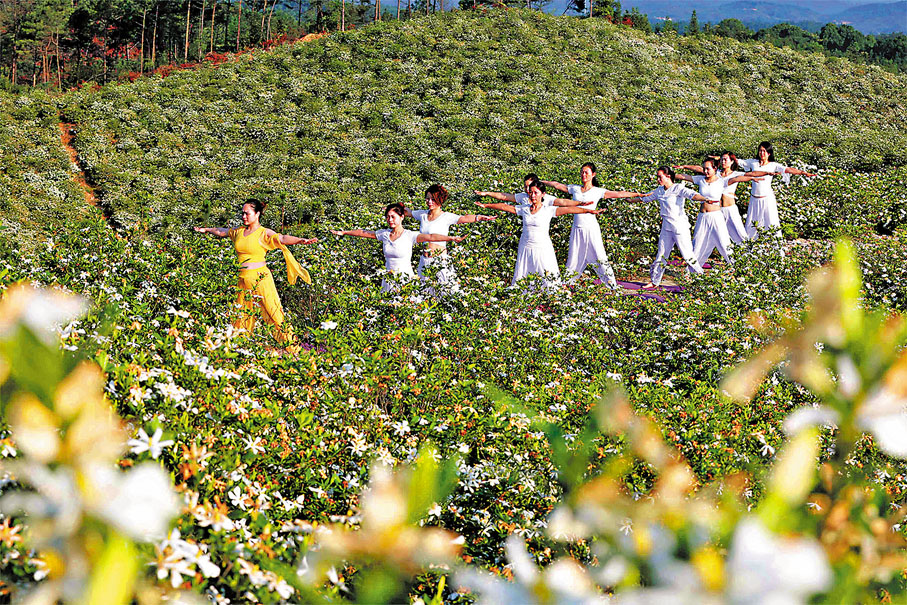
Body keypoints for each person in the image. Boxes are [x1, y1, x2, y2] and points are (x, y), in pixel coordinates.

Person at [194, 199, 317, 344]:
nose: (243, 216)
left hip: (261, 278)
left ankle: (292, 346)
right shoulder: (239, 231)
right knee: (241, 314)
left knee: (273, 312)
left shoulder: (263, 232)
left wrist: (301, 240)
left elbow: (282, 238)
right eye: (242, 213)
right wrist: (207, 230)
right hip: (243, 279)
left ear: (257, 214)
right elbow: (222, 231)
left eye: (247, 213)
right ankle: (241, 346)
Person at [475, 180, 604, 290]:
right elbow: (504, 207)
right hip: (525, 246)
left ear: (543, 194)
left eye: (536, 193)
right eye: (531, 192)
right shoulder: (524, 209)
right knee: (523, 273)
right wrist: (486, 205)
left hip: (542, 247)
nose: (532, 195)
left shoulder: (548, 210)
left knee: (547, 274)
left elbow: (569, 209)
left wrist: (589, 211)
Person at [541, 162, 641, 288]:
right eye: (582, 172)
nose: (583, 175)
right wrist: (541, 181)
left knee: (600, 256)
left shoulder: (598, 191)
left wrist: (638, 195)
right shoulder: (575, 189)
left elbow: (619, 193)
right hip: (577, 228)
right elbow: (557, 185)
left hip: (591, 228)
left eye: (586, 172)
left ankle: (612, 285)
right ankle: (567, 284)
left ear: (593, 174)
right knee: (573, 256)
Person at [331, 203, 466, 292]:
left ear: (402, 217)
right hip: (388, 279)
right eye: (388, 217)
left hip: (405, 279)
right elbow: (363, 233)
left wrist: (451, 238)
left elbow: (430, 237)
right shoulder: (384, 234)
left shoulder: (410, 235)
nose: (390, 220)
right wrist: (344, 232)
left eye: (393, 217)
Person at [625, 166, 710, 290]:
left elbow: (692, 195)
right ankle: (655, 281)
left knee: (687, 255)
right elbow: (645, 198)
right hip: (666, 226)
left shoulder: (677, 188)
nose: (658, 179)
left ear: (668, 176)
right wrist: (631, 200)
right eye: (657, 177)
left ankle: (702, 279)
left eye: (660, 177)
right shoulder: (659, 190)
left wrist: (705, 199)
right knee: (661, 255)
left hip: (679, 226)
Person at [403, 184, 496, 293]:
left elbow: (463, 218)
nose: (430, 202)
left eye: (433, 199)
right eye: (427, 199)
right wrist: (394, 208)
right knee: (425, 292)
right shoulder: (422, 214)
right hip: (424, 260)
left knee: (447, 291)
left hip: (439, 260)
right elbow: (408, 212)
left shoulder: (446, 216)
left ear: (440, 200)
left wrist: (480, 217)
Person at [674, 158, 763, 267]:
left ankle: (738, 267)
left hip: (716, 216)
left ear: (715, 168)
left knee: (724, 243)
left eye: (708, 169)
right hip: (702, 216)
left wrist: (751, 178)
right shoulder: (700, 179)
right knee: (697, 243)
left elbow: (736, 178)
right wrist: (669, 175)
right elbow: (685, 177)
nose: (705, 171)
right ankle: (693, 269)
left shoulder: (721, 181)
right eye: (704, 169)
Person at [737, 142, 817, 239]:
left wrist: (803, 173)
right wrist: (723, 158)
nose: (762, 153)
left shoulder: (773, 165)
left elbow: (787, 169)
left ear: (769, 153)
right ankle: (751, 242)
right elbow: (738, 161)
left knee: (771, 220)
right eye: (760, 151)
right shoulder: (753, 163)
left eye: (764, 151)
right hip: (754, 198)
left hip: (767, 198)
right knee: (752, 222)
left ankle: (774, 242)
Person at [675, 151, 749, 243]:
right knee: (720, 235)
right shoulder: (716, 173)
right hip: (717, 209)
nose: (723, 161)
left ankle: (748, 248)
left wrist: (762, 175)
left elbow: (750, 175)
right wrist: (685, 166)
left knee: (739, 231)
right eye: (722, 159)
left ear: (732, 161)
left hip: (729, 208)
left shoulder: (736, 174)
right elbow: (699, 169)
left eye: (725, 159)